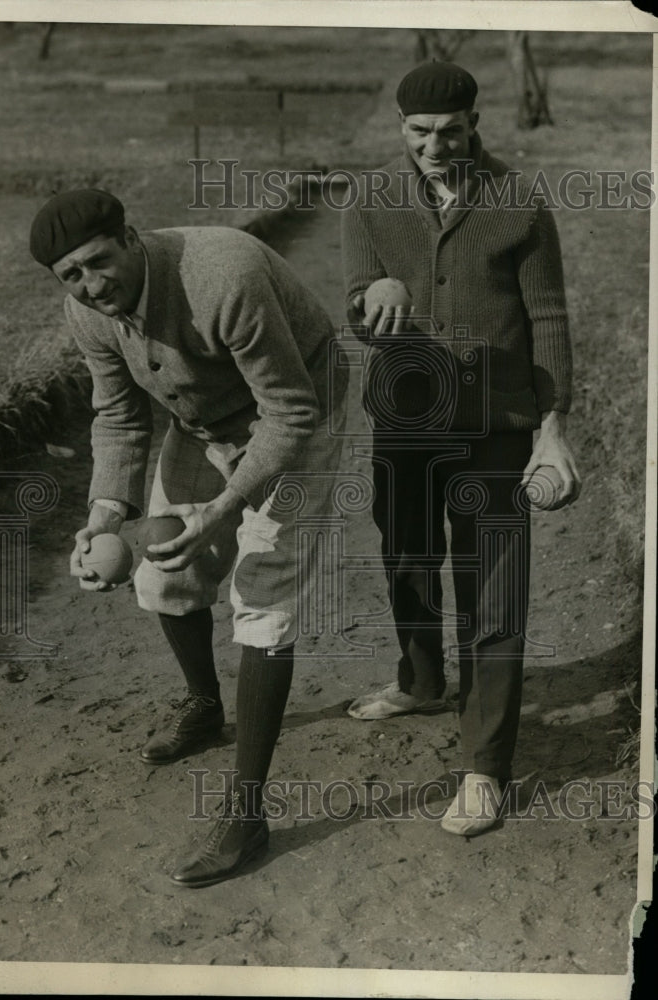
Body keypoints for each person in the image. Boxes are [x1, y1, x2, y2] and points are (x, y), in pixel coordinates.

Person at [30, 189, 347, 884]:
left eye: (98, 262)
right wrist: (106, 513)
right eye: (71, 275)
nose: (91, 284)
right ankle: (205, 705)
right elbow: (118, 417)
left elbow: (289, 411)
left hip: (299, 416)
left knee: (263, 597)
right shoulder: (87, 310)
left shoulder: (221, 275)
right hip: (202, 421)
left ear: (131, 237)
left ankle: (247, 813)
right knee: (162, 575)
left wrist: (227, 505)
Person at [340, 61, 581, 835]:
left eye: (449, 131)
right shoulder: (372, 199)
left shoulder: (518, 201)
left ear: (474, 123)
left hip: (497, 425)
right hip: (406, 419)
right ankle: (420, 679)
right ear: (400, 128)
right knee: (407, 557)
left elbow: (548, 317)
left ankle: (483, 769)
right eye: (418, 133)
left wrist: (553, 426)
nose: (434, 146)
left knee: (493, 591)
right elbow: (356, 302)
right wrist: (369, 298)